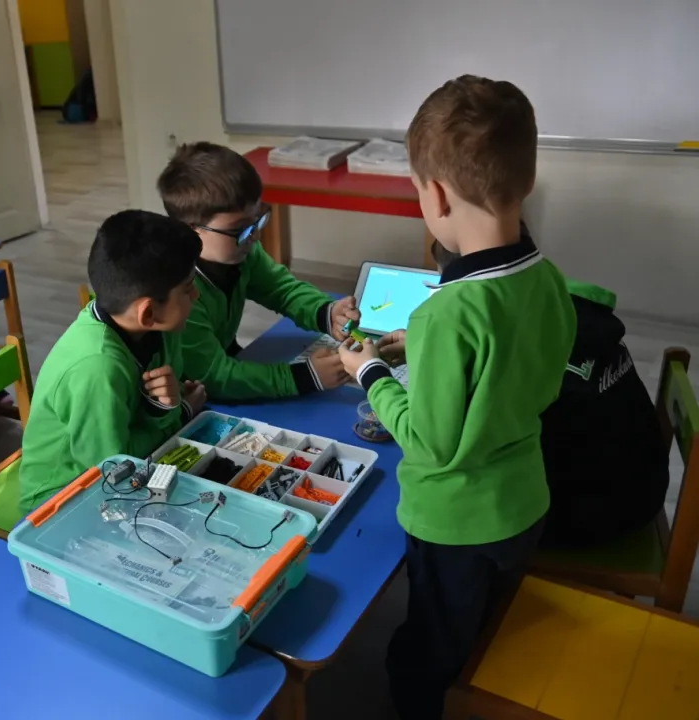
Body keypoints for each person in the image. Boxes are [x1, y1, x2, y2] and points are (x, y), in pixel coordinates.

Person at [337, 76, 576, 720]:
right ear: (527, 180)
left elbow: (429, 442)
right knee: (483, 626)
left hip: (456, 524)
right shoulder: (550, 280)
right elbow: (533, 375)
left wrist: (368, 371)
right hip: (523, 504)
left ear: (436, 195)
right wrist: (416, 350)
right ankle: (481, 676)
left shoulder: (443, 316)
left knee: (427, 650)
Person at [379, 237, 669, 548]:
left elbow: (438, 443)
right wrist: (436, 346)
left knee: (437, 500)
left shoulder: (492, 322)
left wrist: (377, 373)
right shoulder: (559, 304)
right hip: (643, 486)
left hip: (593, 516)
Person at [19, 210, 206, 512]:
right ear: (148, 312)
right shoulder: (96, 367)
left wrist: (162, 408)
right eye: (187, 289)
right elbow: (115, 468)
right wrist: (179, 413)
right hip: (63, 500)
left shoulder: (160, 328)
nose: (196, 295)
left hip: (125, 473)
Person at [157, 142, 358, 400]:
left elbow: (281, 289)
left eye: (258, 219)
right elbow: (215, 376)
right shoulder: (177, 292)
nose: (255, 236)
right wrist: (305, 376)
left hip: (223, 360)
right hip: (183, 396)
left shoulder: (243, 251)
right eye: (239, 229)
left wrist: (325, 313)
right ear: (190, 230)